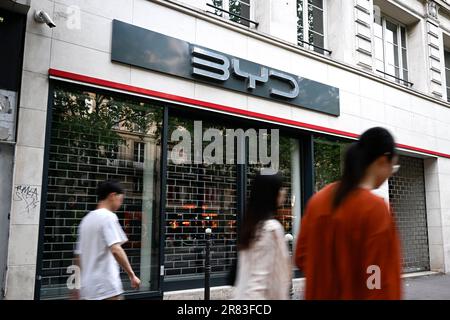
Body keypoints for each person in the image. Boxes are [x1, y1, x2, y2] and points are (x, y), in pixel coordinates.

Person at [295, 127, 402, 300]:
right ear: (382, 161)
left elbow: (301, 257)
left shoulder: (318, 201)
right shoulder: (374, 209)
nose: (391, 172)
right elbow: (376, 278)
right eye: (393, 167)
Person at [73, 180, 140, 300]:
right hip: (106, 288)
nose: (120, 204)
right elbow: (116, 249)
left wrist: (76, 287)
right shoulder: (108, 217)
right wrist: (132, 275)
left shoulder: (86, 220)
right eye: (120, 199)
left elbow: (78, 257)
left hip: (88, 290)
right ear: (112, 196)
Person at [233, 172, 291, 300]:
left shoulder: (251, 227)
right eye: (280, 188)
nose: (284, 191)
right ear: (271, 193)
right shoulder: (270, 229)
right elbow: (257, 284)